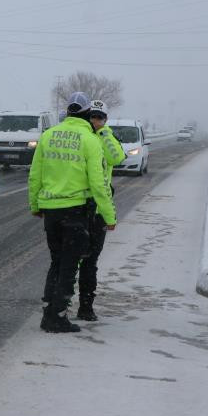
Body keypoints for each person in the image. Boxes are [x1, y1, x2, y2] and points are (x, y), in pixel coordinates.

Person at [29, 92, 117, 333]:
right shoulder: (89, 140)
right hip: (76, 212)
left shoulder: (47, 136)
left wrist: (35, 206)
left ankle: (50, 309)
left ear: (67, 111)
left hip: (51, 212)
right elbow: (99, 185)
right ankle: (56, 317)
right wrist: (109, 216)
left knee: (57, 261)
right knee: (70, 265)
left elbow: (35, 175)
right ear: (88, 112)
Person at [74, 99, 124, 321]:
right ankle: (62, 301)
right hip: (77, 204)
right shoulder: (81, 136)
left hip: (99, 205)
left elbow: (117, 157)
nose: (95, 121)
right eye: (92, 116)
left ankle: (86, 305)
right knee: (70, 258)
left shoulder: (107, 138)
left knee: (90, 260)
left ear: (105, 120)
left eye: (99, 117)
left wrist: (104, 134)